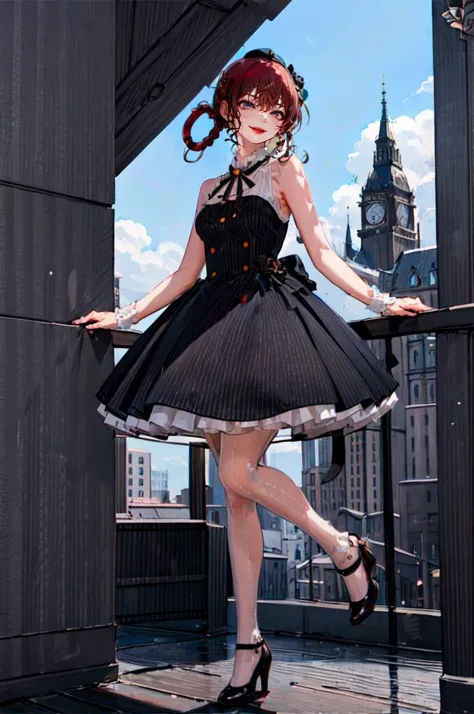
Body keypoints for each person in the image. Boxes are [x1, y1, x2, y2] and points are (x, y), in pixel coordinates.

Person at [72, 48, 432, 709]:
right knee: (236, 498)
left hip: (266, 330)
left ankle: (342, 546)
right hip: (210, 332)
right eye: (251, 104)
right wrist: (119, 315)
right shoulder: (210, 190)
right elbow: (184, 276)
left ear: (285, 116)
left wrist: (383, 303)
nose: (263, 116)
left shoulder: (287, 173)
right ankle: (249, 649)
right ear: (229, 109)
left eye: (275, 107)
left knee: (238, 476)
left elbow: (323, 254)